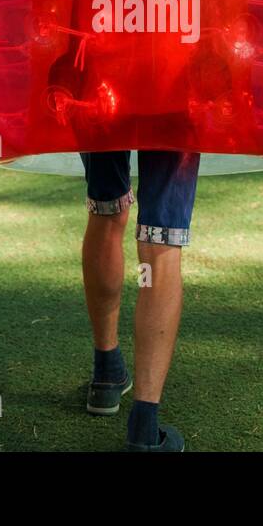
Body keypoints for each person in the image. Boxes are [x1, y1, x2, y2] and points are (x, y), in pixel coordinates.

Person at [81, 151, 197, 452]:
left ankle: (106, 375)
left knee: (105, 206)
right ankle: (143, 429)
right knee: (163, 230)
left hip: (100, 104)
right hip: (174, 104)